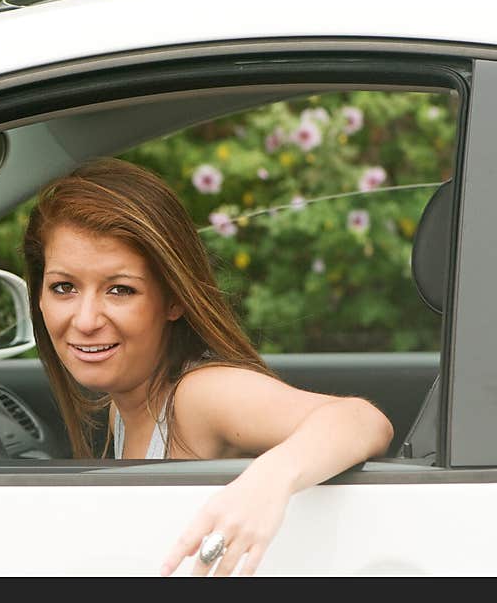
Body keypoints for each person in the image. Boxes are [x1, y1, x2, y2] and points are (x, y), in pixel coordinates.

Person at [21, 157, 394, 576]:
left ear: (174, 299)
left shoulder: (200, 395)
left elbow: (362, 420)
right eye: (64, 287)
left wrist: (268, 481)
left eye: (120, 290)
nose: (86, 320)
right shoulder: (121, 407)